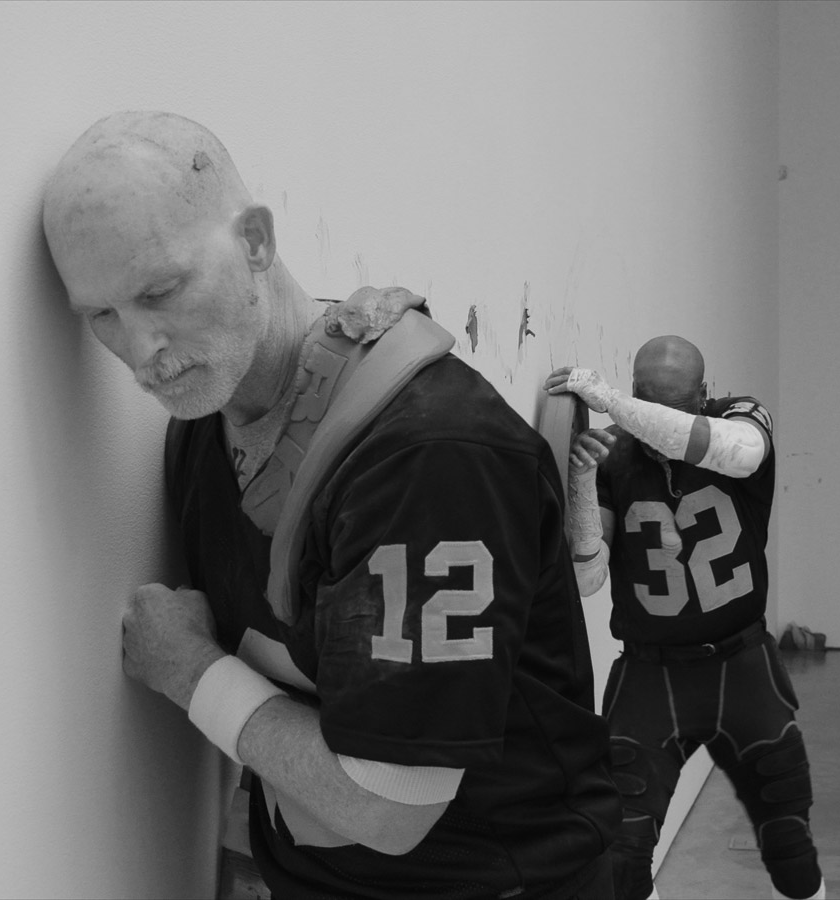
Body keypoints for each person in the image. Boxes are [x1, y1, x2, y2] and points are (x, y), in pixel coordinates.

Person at [41, 110, 620, 900]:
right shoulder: (204, 432)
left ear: (255, 242)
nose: (141, 350)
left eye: (161, 290)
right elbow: (277, 707)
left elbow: (394, 808)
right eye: (101, 316)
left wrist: (189, 672)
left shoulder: (430, 455)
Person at [545, 338, 825, 900]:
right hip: (652, 674)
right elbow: (585, 581)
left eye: (674, 402)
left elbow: (742, 455)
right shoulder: (615, 456)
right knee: (620, 854)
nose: (659, 416)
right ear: (633, 390)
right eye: (644, 398)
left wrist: (615, 404)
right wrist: (580, 482)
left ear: (705, 394)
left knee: (788, 839)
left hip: (741, 663)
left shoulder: (738, 420)